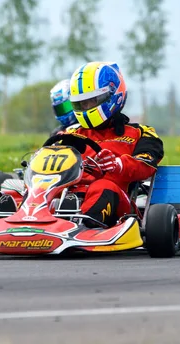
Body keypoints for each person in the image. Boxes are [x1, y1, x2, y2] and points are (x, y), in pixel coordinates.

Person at [58, 61, 164, 227]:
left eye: (91, 101)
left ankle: (80, 225)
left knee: (103, 187)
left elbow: (146, 164)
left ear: (111, 96)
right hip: (68, 194)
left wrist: (118, 164)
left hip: (117, 202)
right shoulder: (70, 135)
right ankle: (25, 219)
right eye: (81, 103)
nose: (86, 107)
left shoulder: (140, 133)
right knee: (16, 191)